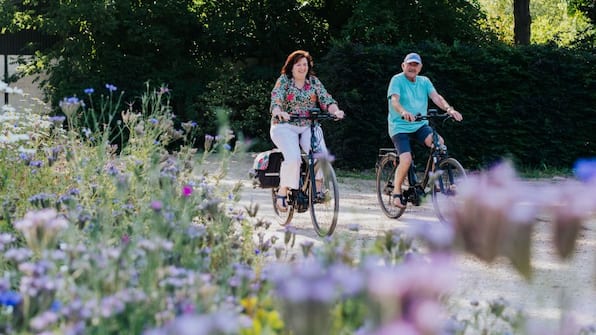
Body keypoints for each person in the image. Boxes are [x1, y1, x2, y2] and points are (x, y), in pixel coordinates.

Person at [270, 50, 345, 212]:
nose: (302, 67)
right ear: (291, 67)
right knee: (294, 157)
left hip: (308, 125)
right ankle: (283, 191)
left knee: (321, 155)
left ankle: (317, 187)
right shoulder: (284, 81)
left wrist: (336, 111)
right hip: (284, 126)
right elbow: (276, 98)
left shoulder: (314, 82)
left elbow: (327, 99)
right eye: (298, 64)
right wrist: (278, 111)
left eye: (305, 64)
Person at [387, 52, 463, 208]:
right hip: (399, 126)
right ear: (403, 65)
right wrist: (403, 112)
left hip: (419, 125)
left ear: (420, 67)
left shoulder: (424, 81)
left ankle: (434, 182)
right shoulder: (397, 80)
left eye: (416, 65)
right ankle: (396, 193)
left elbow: (436, 97)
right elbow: (394, 100)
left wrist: (449, 109)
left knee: (439, 144)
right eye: (410, 64)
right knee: (406, 159)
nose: (412, 67)